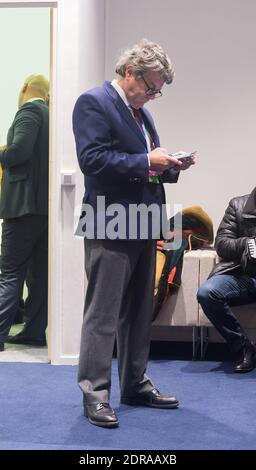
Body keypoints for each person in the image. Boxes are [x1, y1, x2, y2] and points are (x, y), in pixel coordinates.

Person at [73, 38, 195, 428]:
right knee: (102, 314)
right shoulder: (94, 102)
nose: (154, 94)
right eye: (152, 86)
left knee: (139, 313)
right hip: (109, 223)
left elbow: (143, 162)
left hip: (143, 222)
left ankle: (134, 384)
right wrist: (146, 159)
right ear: (130, 72)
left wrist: (171, 165)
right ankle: (95, 393)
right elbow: (92, 161)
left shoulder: (138, 111)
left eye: (158, 89)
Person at [0, 74, 49, 351]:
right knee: (38, 274)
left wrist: (2, 153)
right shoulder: (50, 115)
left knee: (10, 272)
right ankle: (33, 332)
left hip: (21, 208)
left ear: (24, 88)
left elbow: (18, 152)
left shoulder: (29, 110)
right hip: (42, 211)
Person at [197, 187, 256, 372]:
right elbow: (222, 244)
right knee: (207, 293)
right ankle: (242, 347)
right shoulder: (238, 205)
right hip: (243, 274)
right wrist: (248, 243)